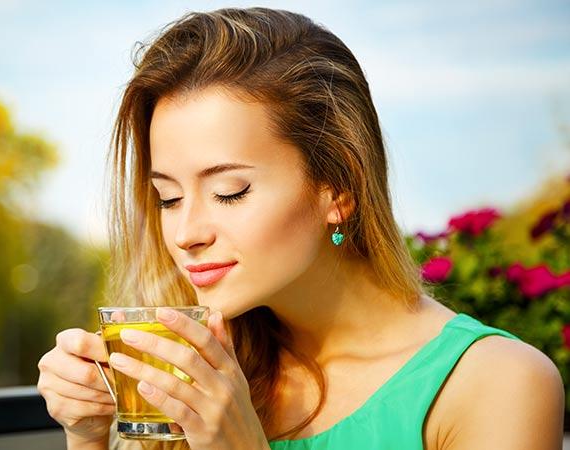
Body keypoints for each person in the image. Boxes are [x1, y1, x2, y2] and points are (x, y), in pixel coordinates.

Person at [36, 7, 565, 450]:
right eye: (167, 198)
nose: (184, 232)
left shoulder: (497, 384)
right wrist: (89, 438)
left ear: (337, 187)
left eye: (229, 191)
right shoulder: (201, 373)